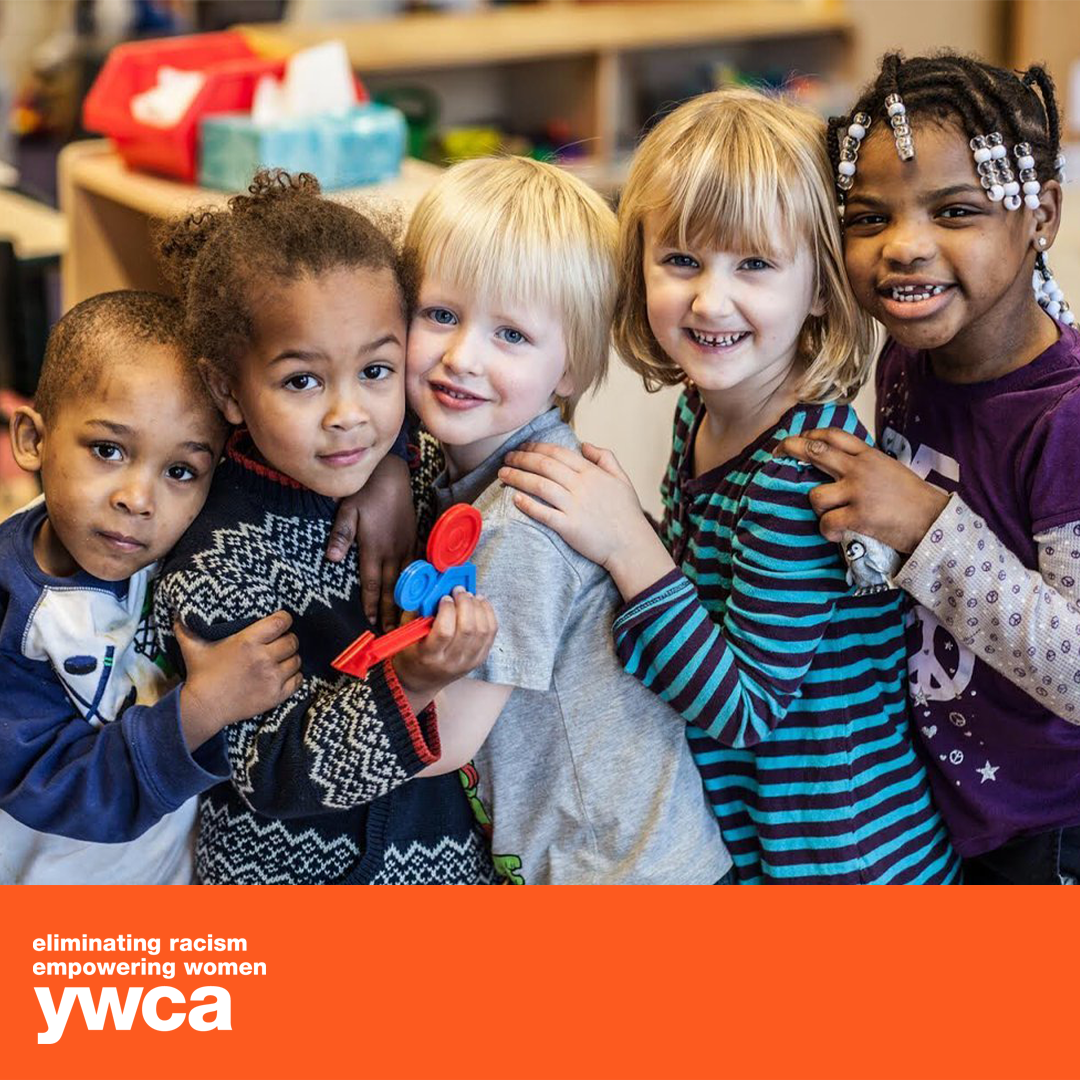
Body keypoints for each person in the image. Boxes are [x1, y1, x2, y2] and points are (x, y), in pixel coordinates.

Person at [501, 89, 959, 883]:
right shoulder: (701, 413)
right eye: (681, 260)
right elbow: (707, 596)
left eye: (754, 264)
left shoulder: (802, 466)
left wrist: (628, 542)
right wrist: (632, 530)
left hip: (843, 866)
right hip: (767, 843)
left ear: (818, 286)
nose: (711, 300)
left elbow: (744, 706)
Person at [777, 53, 1080, 884]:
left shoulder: (1067, 419)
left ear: (1041, 215)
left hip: (1046, 830)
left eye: (956, 210)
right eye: (869, 219)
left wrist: (922, 526)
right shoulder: (907, 363)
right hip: (934, 808)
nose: (905, 247)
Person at [153, 170, 497, 885]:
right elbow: (273, 773)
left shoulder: (422, 461)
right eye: (303, 381)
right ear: (228, 391)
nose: (349, 414)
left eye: (376, 369)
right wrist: (413, 680)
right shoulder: (216, 562)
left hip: (442, 870)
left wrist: (394, 467)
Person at [403, 155, 731, 884]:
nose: (462, 357)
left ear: (570, 370)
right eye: (441, 314)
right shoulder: (480, 476)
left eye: (510, 335)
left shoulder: (518, 523)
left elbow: (442, 742)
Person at [0, 290, 301, 884]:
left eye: (180, 471)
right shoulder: (15, 614)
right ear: (34, 439)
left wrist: (385, 479)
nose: (138, 500)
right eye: (108, 450)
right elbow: (60, 788)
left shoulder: (185, 539)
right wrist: (203, 709)